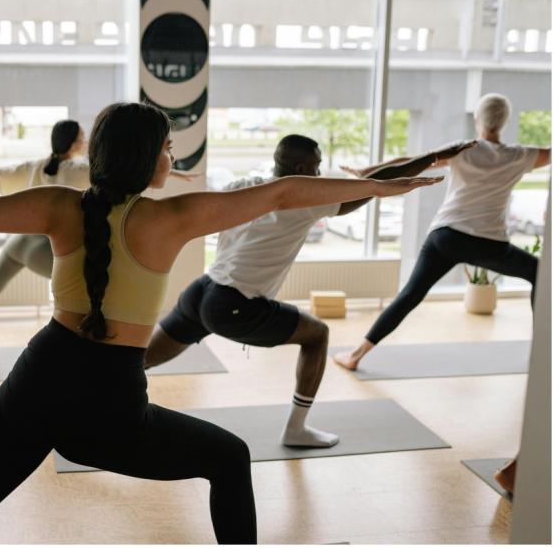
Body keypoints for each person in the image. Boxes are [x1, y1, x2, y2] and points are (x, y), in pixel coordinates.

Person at [0, 101, 441, 544]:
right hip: (110, 407)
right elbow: (291, 191)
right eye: (169, 146)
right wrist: (384, 186)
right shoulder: (171, 216)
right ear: (152, 157)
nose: (173, 157)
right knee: (230, 457)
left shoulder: (63, 204)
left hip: (36, 378)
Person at [143, 135, 473, 448]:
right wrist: (433, 158)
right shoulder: (305, 203)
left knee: (139, 359)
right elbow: (376, 186)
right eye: (316, 167)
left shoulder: (244, 186)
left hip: (202, 290)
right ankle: (296, 429)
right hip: (233, 304)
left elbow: (360, 183)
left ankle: (95, 393)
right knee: (317, 335)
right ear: (301, 170)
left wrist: (382, 172)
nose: (319, 174)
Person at [0, 119, 197, 364]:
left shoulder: (35, 165)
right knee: (92, 295)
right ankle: (87, 358)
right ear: (76, 143)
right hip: (46, 249)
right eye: (82, 137)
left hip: (18, 245)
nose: (85, 141)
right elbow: (129, 167)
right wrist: (178, 173)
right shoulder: (82, 169)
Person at [333, 93, 550, 371]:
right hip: (489, 244)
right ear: (504, 122)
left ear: (477, 119)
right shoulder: (520, 155)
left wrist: (369, 169)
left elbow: (414, 160)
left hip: (447, 236)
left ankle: (355, 355)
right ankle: (542, 353)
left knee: (410, 294)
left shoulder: (463, 149)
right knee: (540, 274)